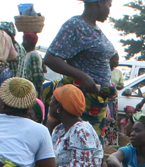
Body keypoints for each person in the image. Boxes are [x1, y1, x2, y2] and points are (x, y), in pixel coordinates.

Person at [44, 0, 116, 132]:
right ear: (100, 2)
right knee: (76, 141)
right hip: (81, 99)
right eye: (108, 6)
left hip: (96, 103)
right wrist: (83, 76)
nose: (109, 11)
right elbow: (50, 58)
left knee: (90, 144)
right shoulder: (75, 26)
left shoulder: (95, 28)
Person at [48, 83, 106, 167]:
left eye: (53, 100)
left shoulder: (81, 130)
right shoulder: (59, 129)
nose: (49, 104)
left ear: (59, 106)